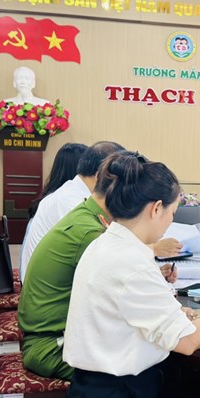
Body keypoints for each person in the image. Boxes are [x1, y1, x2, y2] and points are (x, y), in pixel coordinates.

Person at [62, 153, 200, 398]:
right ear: (157, 208)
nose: (170, 221)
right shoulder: (131, 261)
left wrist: (177, 313)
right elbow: (187, 342)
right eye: (172, 213)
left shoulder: (107, 243)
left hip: (97, 395)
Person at [18, 151, 183, 381]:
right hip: (53, 346)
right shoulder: (91, 233)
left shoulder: (88, 215)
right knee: (165, 360)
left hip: (55, 335)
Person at [19, 141, 125, 281]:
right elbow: (103, 252)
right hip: (49, 287)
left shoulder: (74, 191)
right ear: (101, 176)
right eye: (122, 179)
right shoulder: (70, 200)